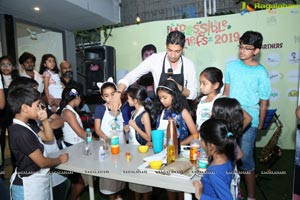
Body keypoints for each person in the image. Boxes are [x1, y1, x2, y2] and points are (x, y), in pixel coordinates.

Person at [223, 31, 271, 200]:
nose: (242, 51)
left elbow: (264, 101)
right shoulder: (231, 66)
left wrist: (260, 123)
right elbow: (226, 92)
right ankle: (232, 191)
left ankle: (251, 196)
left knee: (246, 159)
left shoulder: (261, 73)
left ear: (256, 51)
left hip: (250, 120)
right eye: (241, 47)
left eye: (247, 48)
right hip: (230, 116)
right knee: (227, 156)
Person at [111, 30, 198, 114]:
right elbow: (132, 75)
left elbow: (193, 94)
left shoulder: (188, 64)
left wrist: (178, 87)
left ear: (182, 49)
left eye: (177, 51)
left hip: (182, 112)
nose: (173, 55)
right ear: (166, 46)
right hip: (161, 110)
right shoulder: (155, 59)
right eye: (170, 50)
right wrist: (118, 93)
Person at [7, 86, 68, 200]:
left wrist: (44, 120)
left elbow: (49, 138)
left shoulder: (29, 126)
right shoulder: (20, 132)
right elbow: (42, 162)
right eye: (37, 105)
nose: (41, 108)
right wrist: (59, 160)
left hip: (37, 182)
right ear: (25, 108)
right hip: (28, 186)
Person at [155, 79, 197, 200]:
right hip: (165, 154)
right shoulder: (162, 112)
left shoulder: (183, 112)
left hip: (181, 154)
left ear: (173, 95)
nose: (162, 101)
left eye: (165, 97)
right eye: (160, 98)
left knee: (180, 185)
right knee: (170, 185)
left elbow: (195, 135)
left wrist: (178, 144)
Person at [211, 97, 252, 199]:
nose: (210, 113)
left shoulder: (223, 139)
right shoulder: (229, 136)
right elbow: (239, 155)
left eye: (213, 110)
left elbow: (239, 154)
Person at [94, 77, 125, 200]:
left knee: (119, 172)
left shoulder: (120, 107)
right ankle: (112, 196)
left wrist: (125, 144)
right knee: (109, 175)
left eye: (113, 94)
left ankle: (118, 195)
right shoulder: (100, 109)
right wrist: (107, 139)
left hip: (120, 145)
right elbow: (97, 129)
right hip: (107, 146)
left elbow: (121, 129)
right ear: (102, 97)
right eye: (106, 95)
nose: (110, 98)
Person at [193, 118, 235, 200]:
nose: (200, 143)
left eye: (201, 140)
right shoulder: (226, 158)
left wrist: (200, 195)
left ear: (211, 146)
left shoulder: (214, 173)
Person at [59, 87, 87, 200]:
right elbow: (80, 132)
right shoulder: (67, 112)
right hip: (71, 149)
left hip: (76, 148)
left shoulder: (70, 110)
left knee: (76, 182)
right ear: (77, 97)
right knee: (80, 183)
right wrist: (98, 140)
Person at [126, 85, 153, 199]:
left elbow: (148, 138)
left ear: (135, 100)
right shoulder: (133, 113)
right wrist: (127, 128)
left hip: (142, 151)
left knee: (143, 183)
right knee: (135, 182)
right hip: (133, 150)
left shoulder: (144, 114)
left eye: (128, 98)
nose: (127, 100)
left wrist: (135, 127)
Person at [0, 55, 19, 176]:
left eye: (9, 64)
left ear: (13, 67)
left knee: (14, 141)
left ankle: (16, 167)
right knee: (1, 142)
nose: (6, 67)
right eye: (3, 64)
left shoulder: (17, 79)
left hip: (13, 113)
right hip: (1, 115)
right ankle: (1, 168)